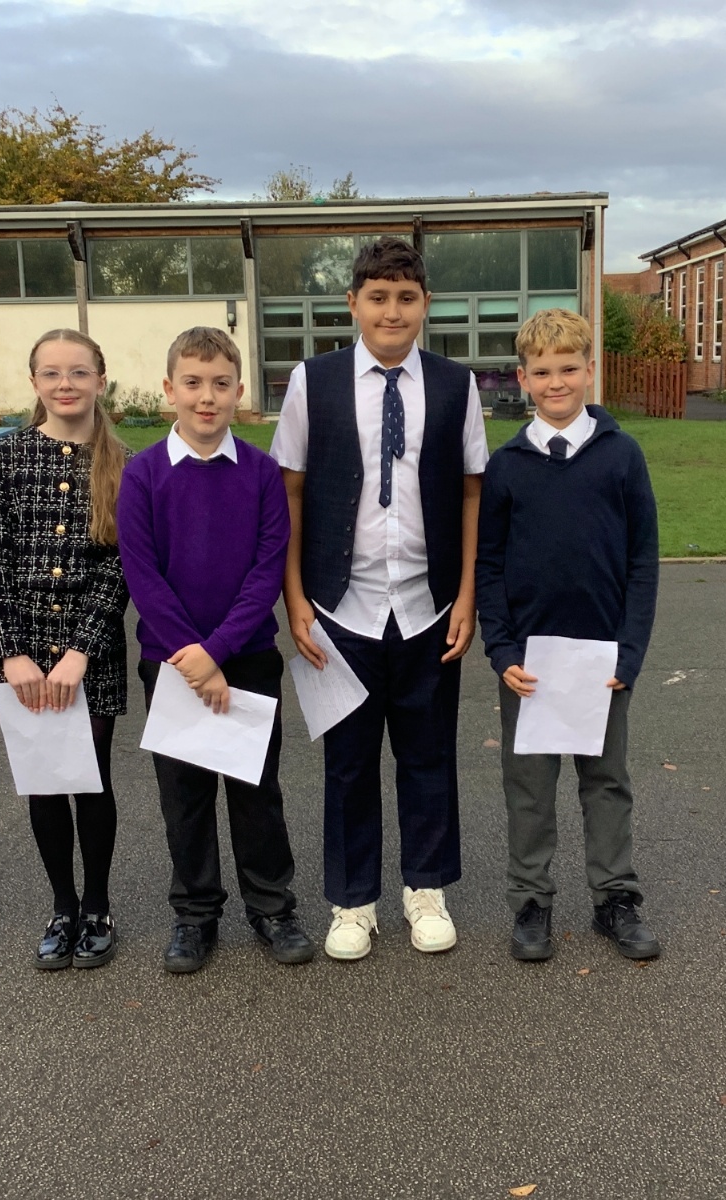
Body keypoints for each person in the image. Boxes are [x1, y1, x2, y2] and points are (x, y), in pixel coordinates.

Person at [271, 237, 489, 961]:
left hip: (429, 605)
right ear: (353, 304)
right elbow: (290, 490)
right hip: (340, 607)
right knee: (349, 763)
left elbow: (471, 492)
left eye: (406, 297)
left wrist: (467, 595)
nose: (391, 311)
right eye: (377, 297)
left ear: (425, 304)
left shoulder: (456, 385)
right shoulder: (314, 381)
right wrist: (296, 599)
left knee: (429, 757)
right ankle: (352, 901)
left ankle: (426, 890)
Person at [118, 327, 312, 974]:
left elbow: (267, 568)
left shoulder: (260, 474)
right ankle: (195, 914)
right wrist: (192, 656)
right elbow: (142, 574)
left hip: (247, 656)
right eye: (194, 383)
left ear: (239, 391)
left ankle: (272, 906)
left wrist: (220, 650)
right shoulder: (143, 475)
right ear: (168, 389)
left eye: (221, 384)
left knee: (256, 790)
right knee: (185, 795)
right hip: (171, 662)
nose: (207, 397)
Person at [476, 308, 661, 962]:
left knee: (606, 782)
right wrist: (500, 649)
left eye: (568, 369)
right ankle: (531, 902)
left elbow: (642, 562)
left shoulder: (621, 456)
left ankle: (615, 897)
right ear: (523, 378)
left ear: (590, 370)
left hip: (601, 661)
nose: (556, 382)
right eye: (543, 372)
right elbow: (488, 565)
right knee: (529, 787)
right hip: (528, 662)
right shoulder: (508, 465)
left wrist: (629, 655)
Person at [0, 329, 131, 971]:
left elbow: (120, 567)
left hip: (92, 651)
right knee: (44, 783)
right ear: (34, 382)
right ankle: (62, 906)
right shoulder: (5, 458)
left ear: (100, 379)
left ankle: (97, 905)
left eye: (79, 372)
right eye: (52, 373)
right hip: (24, 647)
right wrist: (10, 652)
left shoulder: (124, 463)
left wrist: (81, 651)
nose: (65, 384)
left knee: (90, 779)